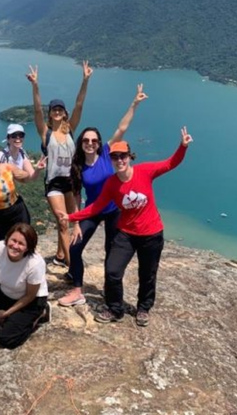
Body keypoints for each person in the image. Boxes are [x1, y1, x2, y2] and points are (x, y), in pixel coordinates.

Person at [62, 127, 193, 327]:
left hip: (151, 234)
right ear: (111, 159)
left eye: (123, 156)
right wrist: (71, 217)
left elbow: (170, 163)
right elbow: (95, 207)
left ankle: (143, 308)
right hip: (127, 234)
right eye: (115, 157)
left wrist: (182, 146)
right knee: (112, 270)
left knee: (147, 274)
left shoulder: (145, 171)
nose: (119, 160)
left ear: (129, 156)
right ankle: (115, 309)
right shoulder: (112, 184)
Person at [57, 84, 148, 307]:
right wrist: (76, 222)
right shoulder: (77, 165)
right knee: (75, 247)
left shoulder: (108, 153)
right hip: (94, 210)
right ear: (81, 143)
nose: (90, 144)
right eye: (86, 141)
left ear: (99, 143)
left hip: (114, 210)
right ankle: (77, 289)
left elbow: (122, 127)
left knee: (112, 252)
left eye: (94, 141)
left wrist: (134, 104)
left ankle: (111, 293)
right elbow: (77, 196)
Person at [26, 61, 92, 267]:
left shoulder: (70, 129)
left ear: (64, 113)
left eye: (60, 109)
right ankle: (72, 268)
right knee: (64, 223)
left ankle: (60, 256)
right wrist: (35, 86)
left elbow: (79, 104)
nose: (57, 111)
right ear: (50, 113)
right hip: (54, 183)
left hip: (71, 182)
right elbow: (37, 110)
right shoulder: (45, 132)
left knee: (72, 220)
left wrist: (85, 80)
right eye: (54, 109)